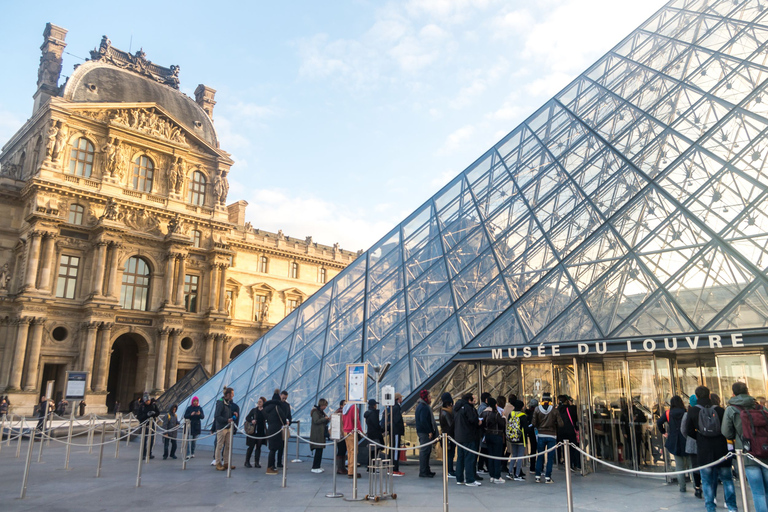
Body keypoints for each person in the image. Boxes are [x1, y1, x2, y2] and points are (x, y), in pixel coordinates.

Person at [684, 385, 737, 512]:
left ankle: (710, 507)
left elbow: (688, 430)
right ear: (709, 395)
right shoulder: (720, 410)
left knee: (707, 481)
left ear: (696, 397)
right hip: (721, 449)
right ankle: (731, 506)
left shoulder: (692, 411)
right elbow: (726, 429)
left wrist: (700, 437)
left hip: (704, 450)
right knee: (727, 479)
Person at [723, 381, 768, 512]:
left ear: (733, 393)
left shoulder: (731, 409)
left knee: (758, 492)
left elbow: (726, 432)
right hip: (765, 451)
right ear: (748, 391)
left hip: (747, 453)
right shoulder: (760, 407)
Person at [657, 395, 690, 493]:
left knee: (679, 466)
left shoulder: (668, 413)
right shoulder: (685, 412)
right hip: (686, 440)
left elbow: (659, 422)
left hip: (674, 441)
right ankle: (696, 486)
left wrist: (664, 432)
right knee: (691, 464)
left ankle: (682, 487)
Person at [532, 392, 564, 483]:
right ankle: (548, 477)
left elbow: (534, 423)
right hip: (551, 435)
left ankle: (537, 476)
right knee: (550, 457)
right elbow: (561, 424)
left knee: (540, 456)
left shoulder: (537, 409)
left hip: (541, 434)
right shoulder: (555, 410)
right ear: (550, 400)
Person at [454, 393, 482, 486]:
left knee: (460, 458)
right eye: (473, 399)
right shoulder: (468, 408)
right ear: (469, 400)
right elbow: (472, 420)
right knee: (469, 458)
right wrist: (478, 422)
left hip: (459, 436)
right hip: (468, 436)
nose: (475, 400)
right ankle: (470, 479)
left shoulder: (458, 408)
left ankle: (459, 478)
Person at [481, 397, 506, 484]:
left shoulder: (484, 413)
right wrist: (503, 416)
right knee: (497, 456)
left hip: (488, 436)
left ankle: (492, 475)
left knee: (490, 456)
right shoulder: (496, 414)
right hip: (496, 435)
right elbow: (502, 424)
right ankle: (497, 476)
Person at [263, 390, 289, 475]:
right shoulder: (277, 407)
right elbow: (283, 418)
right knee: (274, 449)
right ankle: (269, 467)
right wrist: (286, 422)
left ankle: (272, 466)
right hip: (276, 429)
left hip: (270, 428)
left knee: (272, 449)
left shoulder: (267, 408)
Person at [213, 387, 239, 471]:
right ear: (227, 394)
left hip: (228, 427)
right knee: (219, 445)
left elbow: (226, 413)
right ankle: (218, 463)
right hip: (222, 427)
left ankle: (226, 463)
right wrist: (226, 420)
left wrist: (232, 413)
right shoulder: (220, 403)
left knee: (228, 445)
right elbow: (217, 416)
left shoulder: (228, 403)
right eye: (232, 394)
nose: (233, 395)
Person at [415, 389, 438, 478]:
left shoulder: (421, 405)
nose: (430, 398)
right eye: (429, 396)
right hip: (424, 432)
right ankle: (424, 471)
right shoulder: (424, 406)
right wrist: (429, 431)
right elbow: (423, 420)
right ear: (425, 397)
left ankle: (426, 470)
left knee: (427, 451)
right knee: (425, 451)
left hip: (422, 432)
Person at [506, 399, 528, 481]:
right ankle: (517, 474)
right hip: (521, 438)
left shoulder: (511, 413)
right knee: (520, 457)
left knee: (514, 455)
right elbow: (525, 428)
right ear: (522, 407)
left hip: (512, 437)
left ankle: (510, 472)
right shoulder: (523, 415)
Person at [384, 393, 405, 476]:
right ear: (398, 398)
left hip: (393, 431)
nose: (401, 399)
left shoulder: (392, 407)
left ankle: (391, 467)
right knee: (395, 450)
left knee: (392, 449)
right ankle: (394, 468)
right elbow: (396, 420)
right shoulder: (396, 407)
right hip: (396, 431)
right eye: (400, 398)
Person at [558, 395, 580, 471]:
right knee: (572, 447)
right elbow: (575, 417)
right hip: (570, 430)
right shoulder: (570, 409)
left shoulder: (558, 409)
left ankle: (566, 462)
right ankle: (574, 463)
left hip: (561, 431)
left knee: (564, 447)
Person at [244, 397, 267, 468]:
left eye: (260, 402)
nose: (259, 403)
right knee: (251, 446)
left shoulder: (265, 411)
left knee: (258, 447)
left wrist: (263, 410)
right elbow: (247, 417)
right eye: (258, 402)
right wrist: (252, 421)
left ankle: (256, 462)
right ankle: (247, 461)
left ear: (263, 403)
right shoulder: (254, 410)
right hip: (253, 431)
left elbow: (267, 418)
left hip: (260, 432)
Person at [342, 400, 362, 478]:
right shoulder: (354, 407)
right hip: (352, 431)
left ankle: (350, 470)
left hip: (346, 431)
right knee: (354, 452)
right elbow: (356, 420)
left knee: (350, 451)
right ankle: (352, 471)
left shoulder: (345, 408)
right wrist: (360, 430)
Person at [310, 398, 331, 473]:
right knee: (318, 450)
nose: (325, 407)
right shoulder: (316, 412)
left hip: (320, 433)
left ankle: (318, 466)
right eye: (324, 405)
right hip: (317, 434)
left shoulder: (321, 412)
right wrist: (324, 419)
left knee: (320, 451)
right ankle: (315, 467)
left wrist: (327, 419)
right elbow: (316, 421)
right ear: (321, 405)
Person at [137, 394, 159, 459]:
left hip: (151, 425)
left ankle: (149, 453)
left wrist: (154, 413)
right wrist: (146, 415)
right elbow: (139, 416)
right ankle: (143, 454)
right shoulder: (142, 406)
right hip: (144, 425)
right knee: (144, 440)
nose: (148, 402)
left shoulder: (153, 405)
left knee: (151, 440)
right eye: (147, 401)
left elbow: (158, 412)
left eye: (149, 400)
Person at [440, 392, 456, 479]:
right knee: (450, 454)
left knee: (449, 454)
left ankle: (449, 470)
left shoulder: (443, 411)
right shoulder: (446, 413)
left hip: (445, 436)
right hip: (449, 436)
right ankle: (449, 471)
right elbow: (450, 425)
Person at [365, 398, 384, 465]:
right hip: (375, 435)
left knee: (372, 451)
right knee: (375, 451)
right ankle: (371, 467)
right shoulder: (373, 414)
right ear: (374, 405)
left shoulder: (368, 413)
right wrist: (381, 429)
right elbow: (376, 425)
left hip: (370, 434)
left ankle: (369, 466)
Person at [476, 392, 492, 474]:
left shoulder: (481, 407)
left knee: (484, 449)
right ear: (486, 399)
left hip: (482, 432)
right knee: (484, 450)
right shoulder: (484, 408)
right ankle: (481, 466)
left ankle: (482, 466)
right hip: (483, 432)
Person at [276, 390, 292, 468]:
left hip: (284, 427)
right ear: (280, 395)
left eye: (285, 398)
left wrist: (289, 421)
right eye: (283, 397)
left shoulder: (287, 405)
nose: (284, 399)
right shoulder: (276, 404)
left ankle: (279, 462)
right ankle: (276, 462)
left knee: (282, 446)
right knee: (276, 446)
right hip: (277, 427)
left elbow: (289, 416)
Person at [525, 398, 538, 473]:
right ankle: (539, 466)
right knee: (539, 449)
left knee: (533, 450)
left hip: (530, 432)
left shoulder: (527, 413)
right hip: (537, 432)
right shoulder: (538, 412)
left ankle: (532, 466)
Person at [335, 400, 348, 475]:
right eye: (344, 404)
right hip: (340, 435)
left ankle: (342, 467)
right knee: (341, 451)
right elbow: (341, 425)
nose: (346, 405)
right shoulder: (340, 413)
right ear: (341, 406)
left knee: (343, 451)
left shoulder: (342, 412)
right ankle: (340, 468)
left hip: (342, 434)